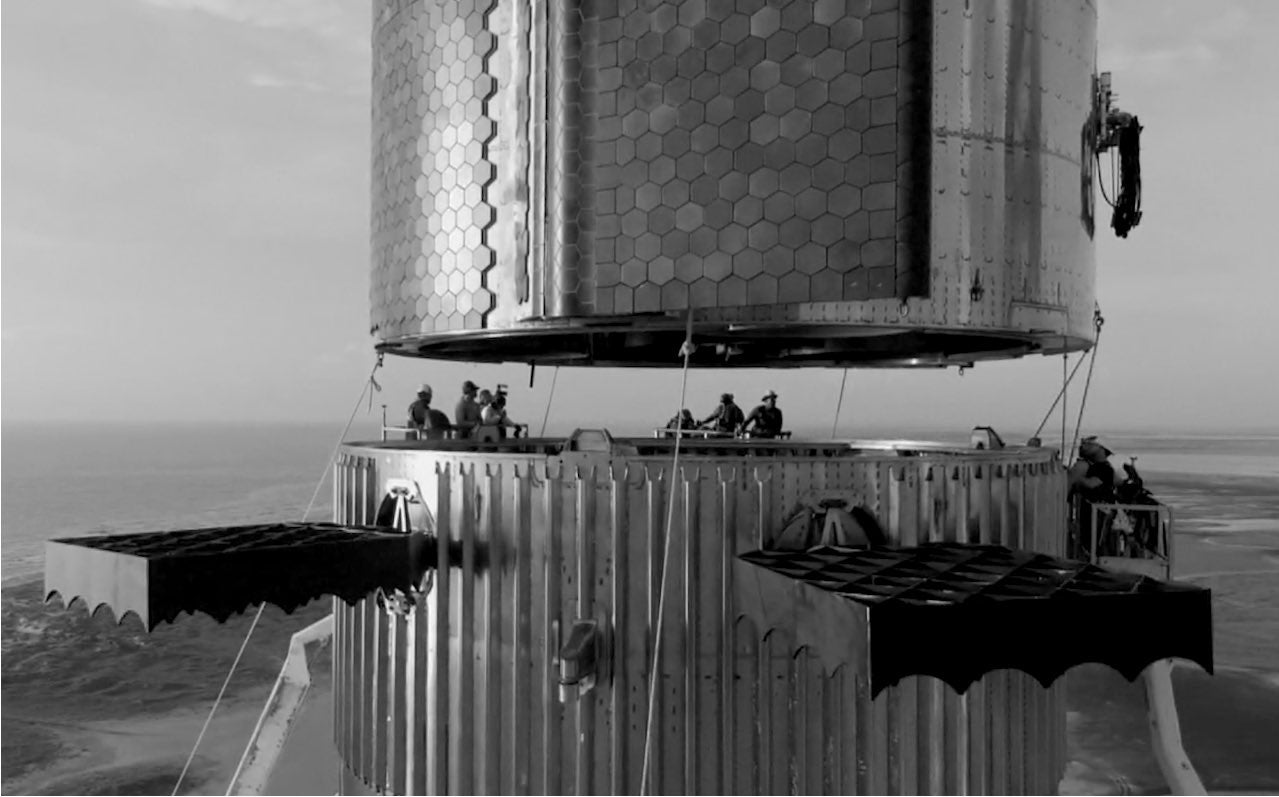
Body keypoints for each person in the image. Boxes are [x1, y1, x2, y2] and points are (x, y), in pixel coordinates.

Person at [1069, 435, 1118, 556]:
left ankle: (1096, 559)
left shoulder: (1104, 469)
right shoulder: (1097, 466)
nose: (1084, 447)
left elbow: (1092, 484)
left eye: (1090, 444)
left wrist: (1075, 477)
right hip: (1092, 509)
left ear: (1101, 449)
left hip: (1101, 510)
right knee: (1089, 539)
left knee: (1096, 541)